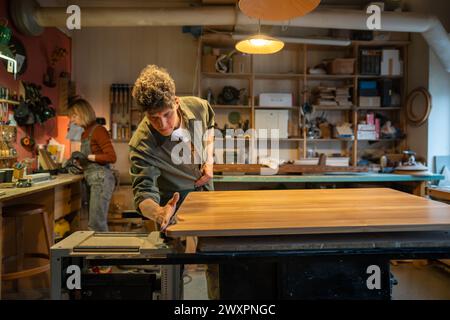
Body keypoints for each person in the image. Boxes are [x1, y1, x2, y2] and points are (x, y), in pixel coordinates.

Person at [129, 65, 217, 298]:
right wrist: (158, 212)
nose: (163, 124)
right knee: (172, 269)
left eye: (167, 114)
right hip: (173, 205)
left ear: (176, 102)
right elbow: (143, 193)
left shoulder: (197, 106)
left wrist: (208, 159)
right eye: (154, 118)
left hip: (206, 194)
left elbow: (209, 126)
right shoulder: (142, 143)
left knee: (215, 257)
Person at [68, 98, 117, 232]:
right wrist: (80, 162)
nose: (72, 120)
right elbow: (92, 160)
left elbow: (112, 157)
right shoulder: (85, 133)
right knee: (95, 224)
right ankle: (98, 253)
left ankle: (99, 253)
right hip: (93, 179)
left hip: (101, 179)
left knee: (97, 225)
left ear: (84, 113)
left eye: (74, 115)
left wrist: (89, 157)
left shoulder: (98, 130)